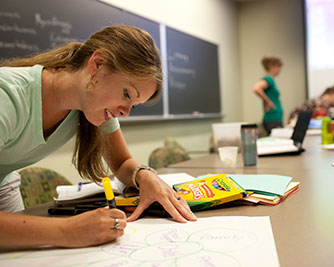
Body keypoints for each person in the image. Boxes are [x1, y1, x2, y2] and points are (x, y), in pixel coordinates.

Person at [0, 25, 196, 248]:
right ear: (98, 64)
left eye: (134, 104)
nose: (125, 112)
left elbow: (121, 162)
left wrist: (144, 176)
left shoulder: (92, 105)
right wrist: (67, 231)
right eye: (126, 94)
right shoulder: (7, 95)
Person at [252, 56, 284, 135]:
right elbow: (256, 88)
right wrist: (268, 101)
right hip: (272, 118)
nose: (280, 70)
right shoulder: (268, 79)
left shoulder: (271, 80)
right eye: (278, 67)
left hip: (275, 118)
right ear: (272, 67)